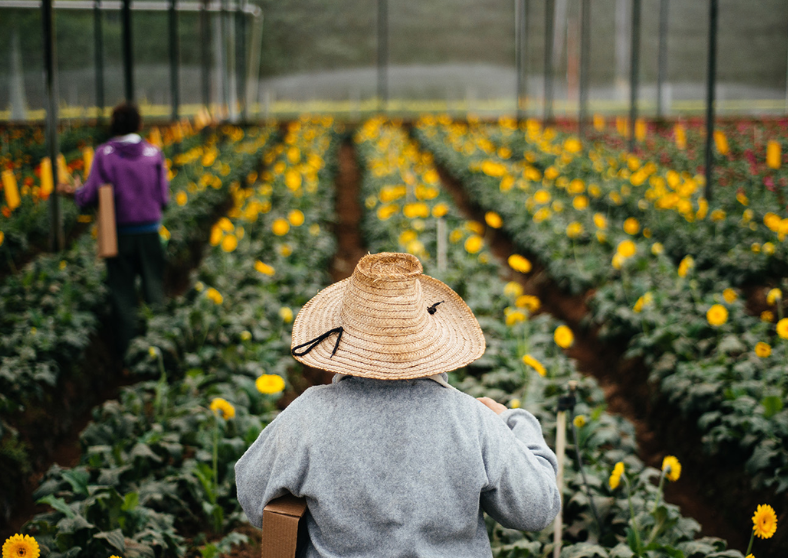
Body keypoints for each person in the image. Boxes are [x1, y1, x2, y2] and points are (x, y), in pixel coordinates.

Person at [235, 252, 561, 557]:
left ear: (343, 338)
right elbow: (536, 510)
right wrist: (515, 422)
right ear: (432, 340)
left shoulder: (308, 415)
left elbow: (253, 501)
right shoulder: (472, 419)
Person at [58, 103, 169, 359]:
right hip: (150, 232)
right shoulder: (153, 153)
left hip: (118, 234)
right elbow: (163, 197)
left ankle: (128, 354)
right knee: (154, 286)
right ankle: (161, 346)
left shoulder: (104, 154)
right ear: (139, 125)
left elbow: (90, 194)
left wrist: (73, 193)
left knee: (122, 293)